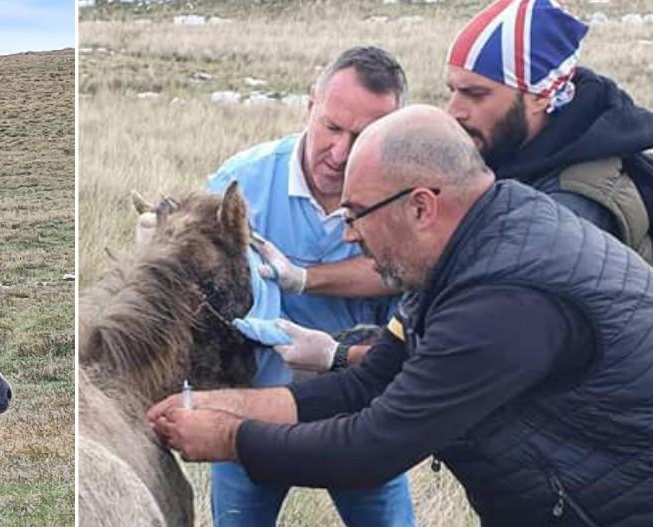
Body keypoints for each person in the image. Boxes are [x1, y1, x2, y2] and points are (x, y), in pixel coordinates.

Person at [149, 104, 653, 527]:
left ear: (420, 205)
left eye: (356, 213)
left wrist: (230, 440)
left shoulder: (502, 300)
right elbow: (360, 384)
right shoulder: (458, 259)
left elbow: (372, 446)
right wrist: (215, 408)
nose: (346, 232)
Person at [200, 46, 469, 527]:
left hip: (361, 415)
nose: (338, 150)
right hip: (252, 414)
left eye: (362, 135)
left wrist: (305, 279)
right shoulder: (237, 187)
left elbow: (400, 273)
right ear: (308, 107)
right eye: (331, 127)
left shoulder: (400, 190)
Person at [274, 0, 653, 376]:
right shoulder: (510, 154)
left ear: (540, 95)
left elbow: (485, 354)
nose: (454, 110)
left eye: (476, 94)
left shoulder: (573, 205)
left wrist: (341, 356)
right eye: (452, 90)